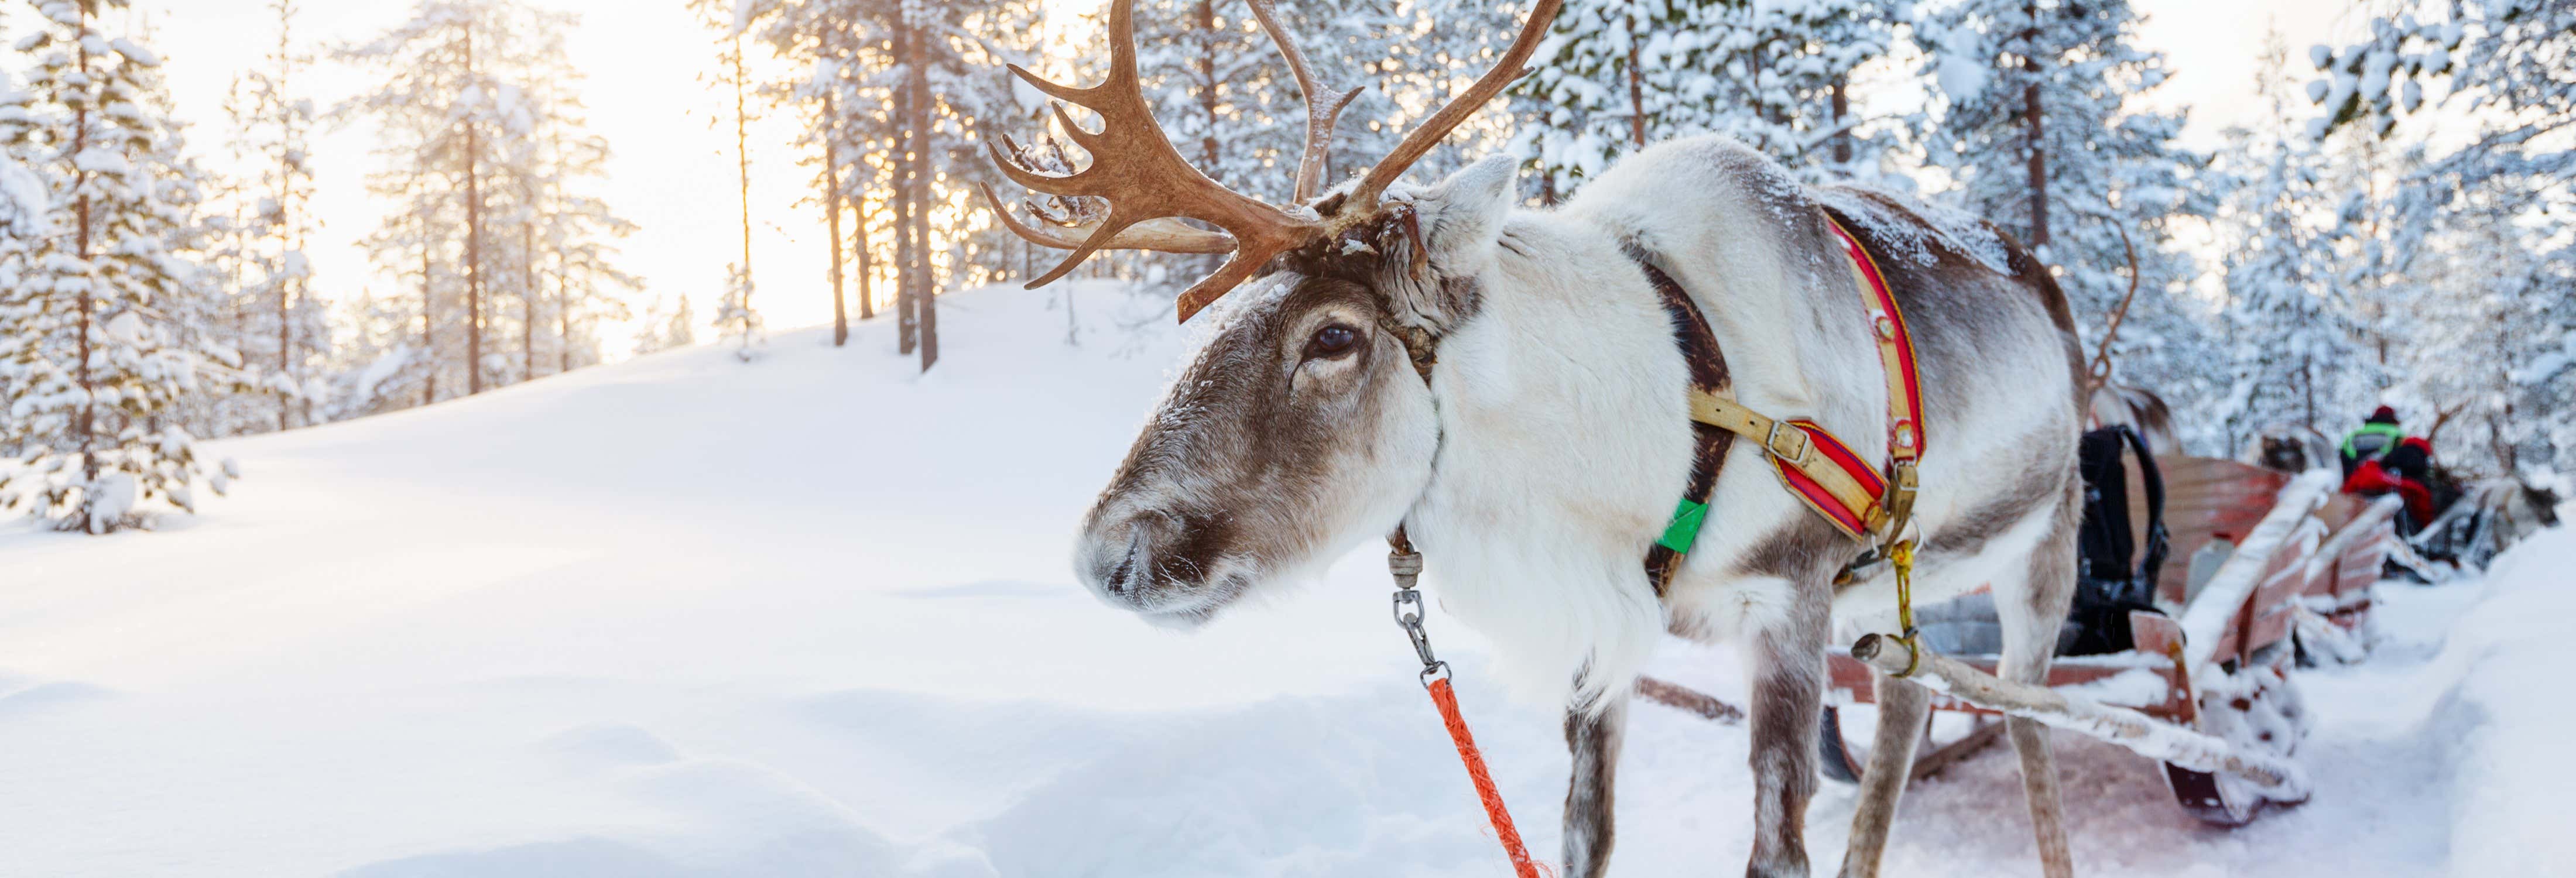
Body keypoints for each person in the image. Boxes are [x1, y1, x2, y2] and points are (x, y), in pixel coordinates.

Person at [2338, 406, 2406, 477]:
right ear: (2393, 420)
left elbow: (2344, 460)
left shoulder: (2353, 436)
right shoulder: (2398, 435)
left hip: (2357, 480)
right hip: (2386, 480)